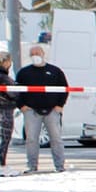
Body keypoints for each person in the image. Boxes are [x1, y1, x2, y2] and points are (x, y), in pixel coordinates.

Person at [15, 45, 67, 173]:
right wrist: (22, 106)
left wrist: (60, 105)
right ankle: (32, 166)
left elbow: (64, 89)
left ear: (43, 54)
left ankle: (59, 166)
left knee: (56, 139)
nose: (35, 55)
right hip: (31, 111)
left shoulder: (55, 71)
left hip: (52, 111)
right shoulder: (23, 72)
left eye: (37, 53)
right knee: (31, 139)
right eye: (32, 53)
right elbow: (16, 92)